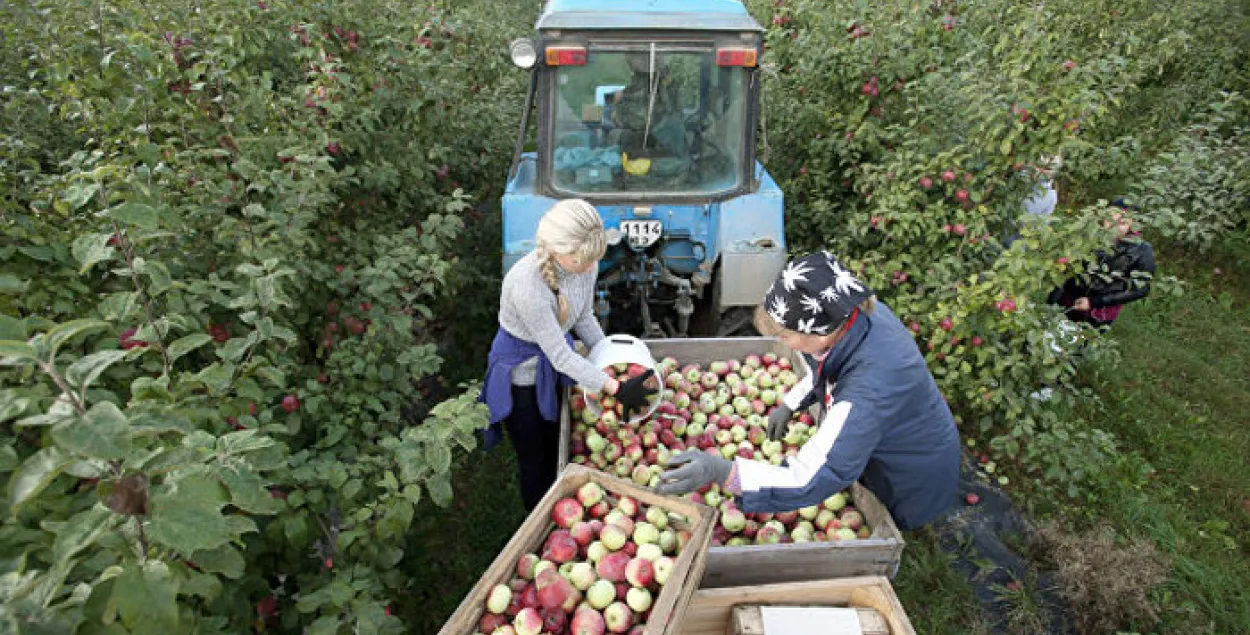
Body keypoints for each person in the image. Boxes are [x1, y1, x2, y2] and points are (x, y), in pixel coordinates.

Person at [656, 252, 961, 530]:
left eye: (787, 336)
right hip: (891, 432)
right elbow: (829, 367)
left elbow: (807, 478)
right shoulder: (854, 315)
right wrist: (792, 403)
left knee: (889, 519)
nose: (784, 344)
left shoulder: (867, 391)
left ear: (820, 332)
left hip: (909, 470)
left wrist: (722, 471)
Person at [480, 199, 657, 511]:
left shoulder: (583, 262)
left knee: (556, 440)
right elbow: (561, 355)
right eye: (583, 262)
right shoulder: (528, 287)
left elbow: (584, 316)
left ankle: (561, 504)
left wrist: (611, 360)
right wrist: (615, 388)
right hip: (523, 375)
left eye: (594, 261)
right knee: (535, 457)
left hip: (555, 359)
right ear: (558, 252)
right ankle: (538, 518)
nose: (591, 269)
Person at [1047, 199, 1156, 328]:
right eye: (1109, 219)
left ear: (1133, 225)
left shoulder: (1142, 250)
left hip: (1096, 314)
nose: (1112, 227)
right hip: (1065, 299)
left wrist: (1094, 302)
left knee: (1072, 344)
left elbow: (1141, 288)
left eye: (1122, 223)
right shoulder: (1090, 234)